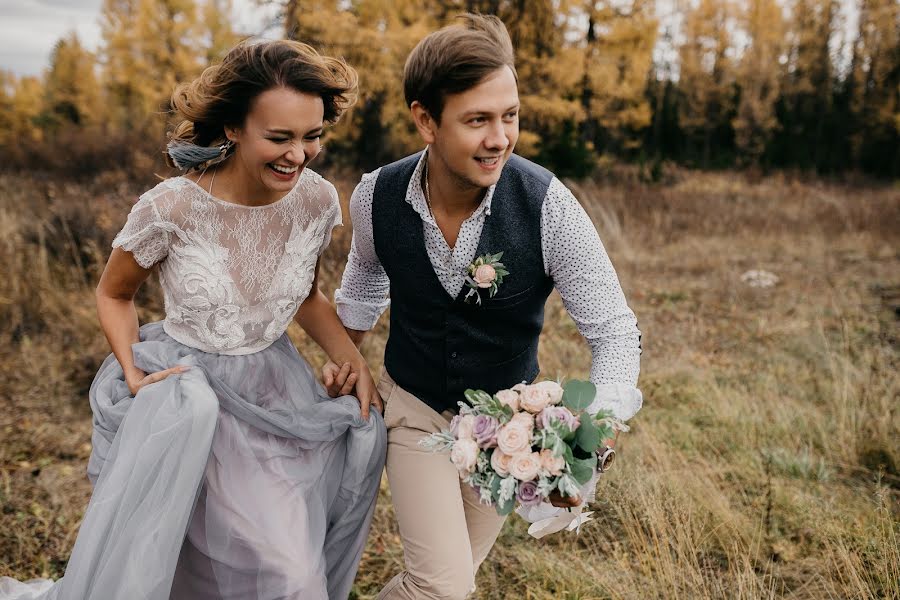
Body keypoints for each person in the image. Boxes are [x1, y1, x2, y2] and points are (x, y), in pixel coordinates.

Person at [0, 40, 386, 600]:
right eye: (279, 138)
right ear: (232, 127)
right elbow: (114, 294)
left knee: (288, 571)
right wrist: (133, 372)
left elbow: (306, 296)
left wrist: (350, 359)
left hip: (273, 395)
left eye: (312, 135)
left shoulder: (318, 200)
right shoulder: (173, 207)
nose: (298, 155)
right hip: (187, 397)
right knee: (169, 552)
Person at [324, 14, 643, 600]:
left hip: (506, 434)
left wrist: (592, 432)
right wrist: (344, 365)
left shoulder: (548, 205)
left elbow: (616, 332)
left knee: (451, 582)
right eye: (478, 120)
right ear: (425, 119)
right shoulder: (376, 195)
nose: (500, 138)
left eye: (510, 116)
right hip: (415, 409)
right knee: (442, 587)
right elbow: (365, 284)